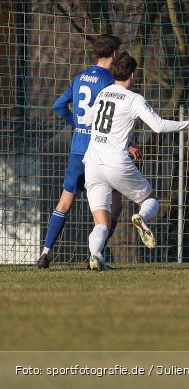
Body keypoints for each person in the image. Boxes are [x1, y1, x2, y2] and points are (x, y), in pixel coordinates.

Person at [83, 52, 189, 271]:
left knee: (101, 222)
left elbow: (89, 119)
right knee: (151, 201)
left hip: (92, 163)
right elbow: (158, 126)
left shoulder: (103, 93)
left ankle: (95, 256)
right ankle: (140, 218)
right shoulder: (134, 99)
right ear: (132, 74)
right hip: (116, 164)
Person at [36, 34, 140, 268]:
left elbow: (58, 105)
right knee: (113, 207)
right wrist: (127, 145)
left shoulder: (80, 76)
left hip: (76, 150)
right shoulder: (109, 81)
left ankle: (45, 252)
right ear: (113, 54)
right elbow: (110, 119)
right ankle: (96, 255)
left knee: (64, 202)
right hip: (99, 152)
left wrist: (76, 124)